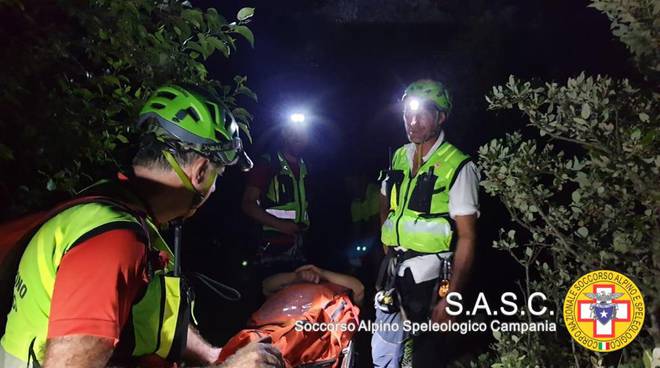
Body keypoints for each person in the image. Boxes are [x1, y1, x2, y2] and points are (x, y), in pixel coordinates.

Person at [0, 85, 283, 368]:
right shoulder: (113, 240)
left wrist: (213, 357)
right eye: (217, 175)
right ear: (200, 172)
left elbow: (146, 319)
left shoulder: (115, 210)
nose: (215, 188)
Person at [373, 79, 479, 367]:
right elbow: (384, 203)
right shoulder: (398, 156)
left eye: (421, 114)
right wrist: (388, 245)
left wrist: (452, 298)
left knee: (425, 359)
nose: (412, 121)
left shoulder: (459, 165)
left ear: (441, 117)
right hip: (391, 275)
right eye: (408, 114)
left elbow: (467, 237)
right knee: (383, 354)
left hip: (430, 282)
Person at [241, 120, 310, 275]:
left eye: (302, 133)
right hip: (271, 247)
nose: (298, 137)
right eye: (293, 133)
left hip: (299, 246)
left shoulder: (307, 166)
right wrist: (281, 225)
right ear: (285, 134)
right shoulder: (268, 162)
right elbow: (248, 204)